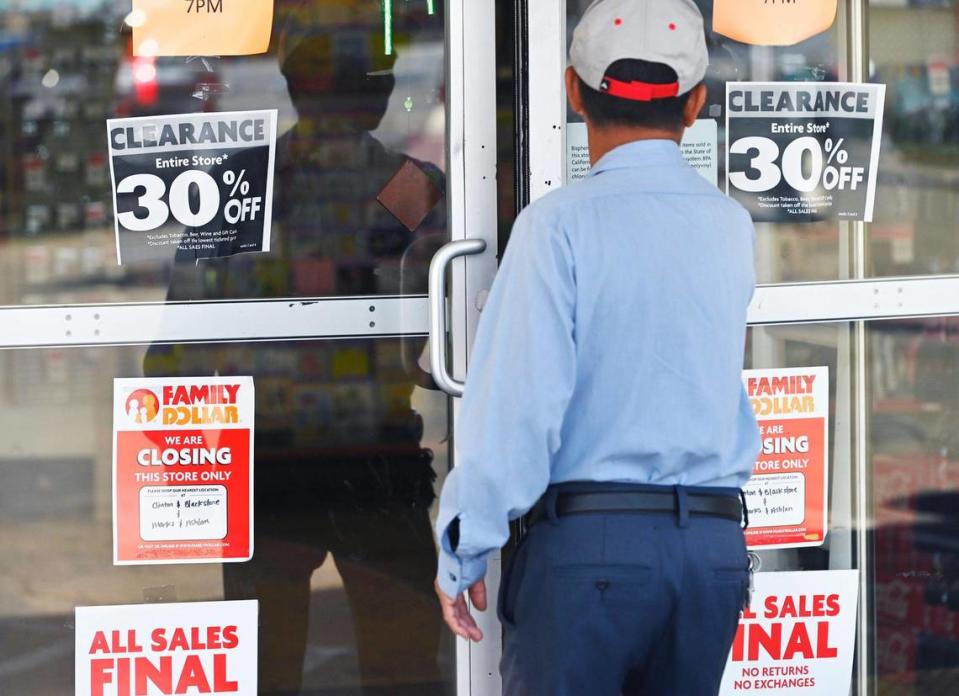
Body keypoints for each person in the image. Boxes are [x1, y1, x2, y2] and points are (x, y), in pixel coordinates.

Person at [433, 0, 761, 693]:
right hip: (709, 549)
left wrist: (465, 547)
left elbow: (519, 406)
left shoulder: (557, 226)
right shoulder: (729, 226)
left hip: (591, 553)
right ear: (695, 103)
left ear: (573, 92)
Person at [145, 2, 449, 694]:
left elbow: (172, 351)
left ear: (292, 86)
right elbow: (449, 339)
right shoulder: (412, 191)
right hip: (365, 461)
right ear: (379, 92)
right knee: (398, 671)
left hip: (281, 462)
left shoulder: (236, 189)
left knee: (267, 671)